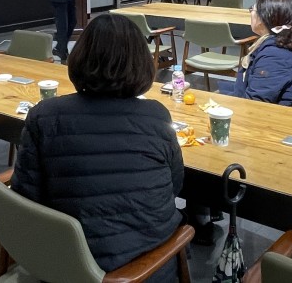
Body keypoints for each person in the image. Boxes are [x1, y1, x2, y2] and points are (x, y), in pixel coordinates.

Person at [11, 14, 184, 280]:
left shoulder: (45, 115)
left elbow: (26, 196)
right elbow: (174, 186)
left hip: (64, 265)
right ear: (141, 63)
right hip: (145, 269)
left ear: (80, 57)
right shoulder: (157, 116)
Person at [220, 0, 292, 111]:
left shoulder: (276, 55)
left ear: (262, 19)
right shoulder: (279, 42)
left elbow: (256, 104)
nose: (250, 12)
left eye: (252, 9)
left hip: (283, 121)